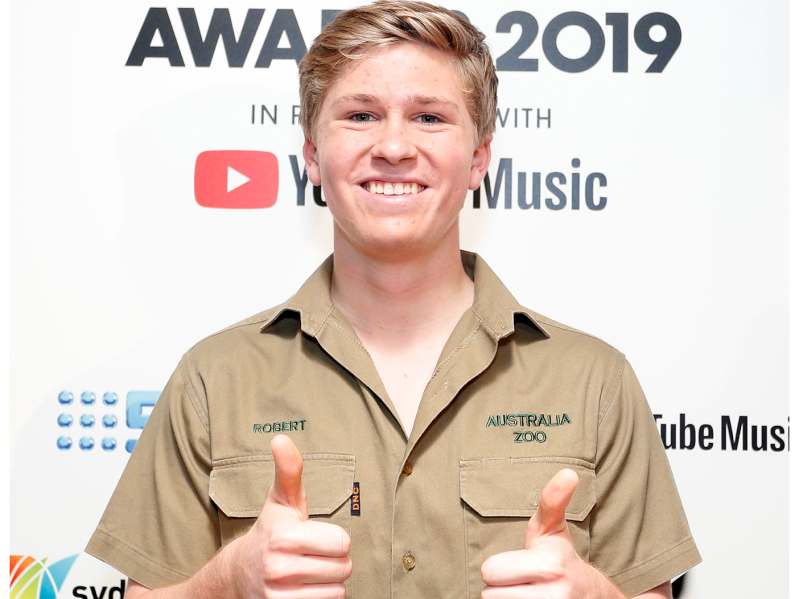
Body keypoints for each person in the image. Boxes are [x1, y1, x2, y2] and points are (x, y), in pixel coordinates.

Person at [86, 2, 701, 597]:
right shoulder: (213, 380)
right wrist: (229, 583)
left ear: (479, 159)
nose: (394, 147)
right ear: (313, 157)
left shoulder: (595, 383)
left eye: (429, 117)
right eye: (360, 115)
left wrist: (592, 596)